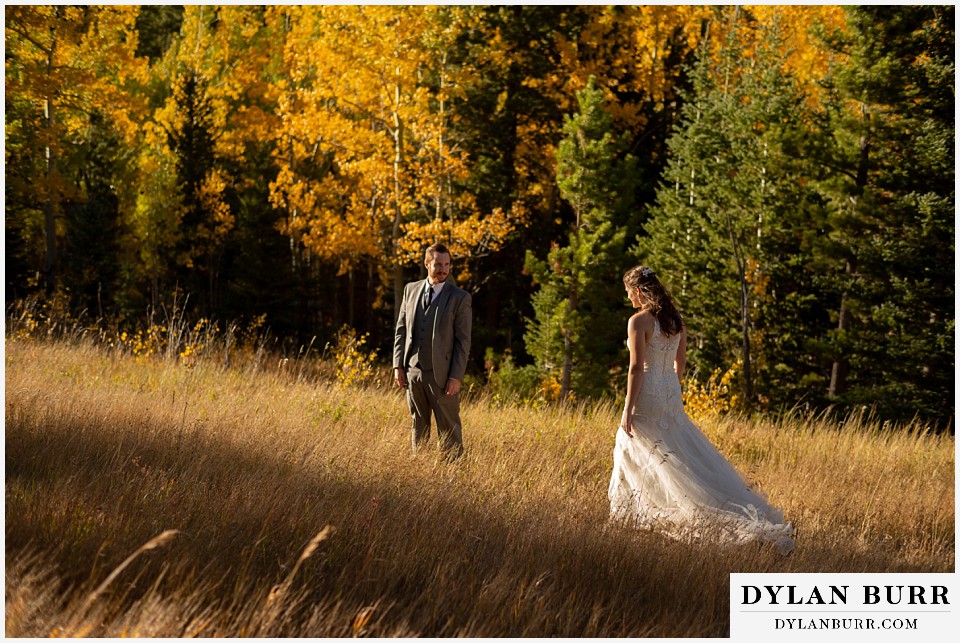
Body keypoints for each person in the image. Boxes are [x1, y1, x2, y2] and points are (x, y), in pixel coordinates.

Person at [609, 265, 795, 554]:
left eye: (628, 292)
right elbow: (679, 365)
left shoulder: (638, 322)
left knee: (633, 447)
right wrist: (670, 389)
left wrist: (628, 409)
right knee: (680, 453)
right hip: (670, 393)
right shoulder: (675, 320)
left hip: (647, 395)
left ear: (639, 291)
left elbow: (635, 369)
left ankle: (638, 515)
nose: (628, 298)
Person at [393, 244, 472, 458]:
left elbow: (463, 342)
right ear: (427, 264)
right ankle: (421, 470)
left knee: (449, 428)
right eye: (438, 264)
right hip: (413, 371)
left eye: (446, 265)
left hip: (443, 375)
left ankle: (453, 478)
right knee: (418, 424)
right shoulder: (411, 290)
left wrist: (456, 376)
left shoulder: (459, 297)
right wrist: (398, 365)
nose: (443, 269)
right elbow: (401, 330)